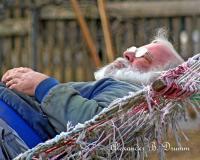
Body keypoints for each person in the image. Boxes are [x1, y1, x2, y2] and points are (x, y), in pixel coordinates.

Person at [0, 32, 184, 135]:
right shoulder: (120, 90)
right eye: (133, 49)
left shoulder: (132, 94)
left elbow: (95, 124)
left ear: (160, 77)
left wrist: (42, 86)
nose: (128, 54)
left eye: (143, 54)